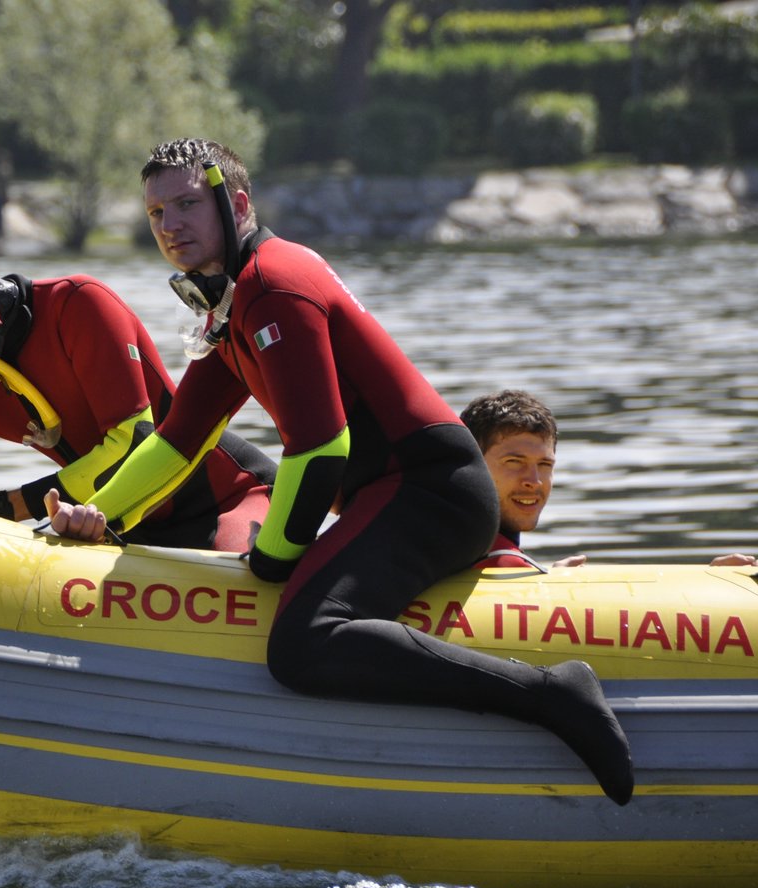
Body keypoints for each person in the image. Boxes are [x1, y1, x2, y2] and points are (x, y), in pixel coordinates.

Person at [45, 138, 633, 805]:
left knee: (303, 641)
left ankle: (551, 692)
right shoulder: (232, 303)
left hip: (431, 489)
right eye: (155, 213)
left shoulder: (272, 285)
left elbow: (321, 448)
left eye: (186, 204)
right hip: (392, 493)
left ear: (236, 205)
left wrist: (271, 560)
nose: (170, 225)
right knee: (304, 612)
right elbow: (179, 441)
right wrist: (98, 518)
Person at [0, 205, 274, 551]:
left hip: (226, 500)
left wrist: (11, 507)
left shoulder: (75, 305)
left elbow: (132, 445)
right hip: (113, 525)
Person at [461, 389, 758, 570]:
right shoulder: (468, 549)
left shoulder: (490, 552)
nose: (534, 481)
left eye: (544, 464)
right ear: (472, 464)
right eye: (514, 462)